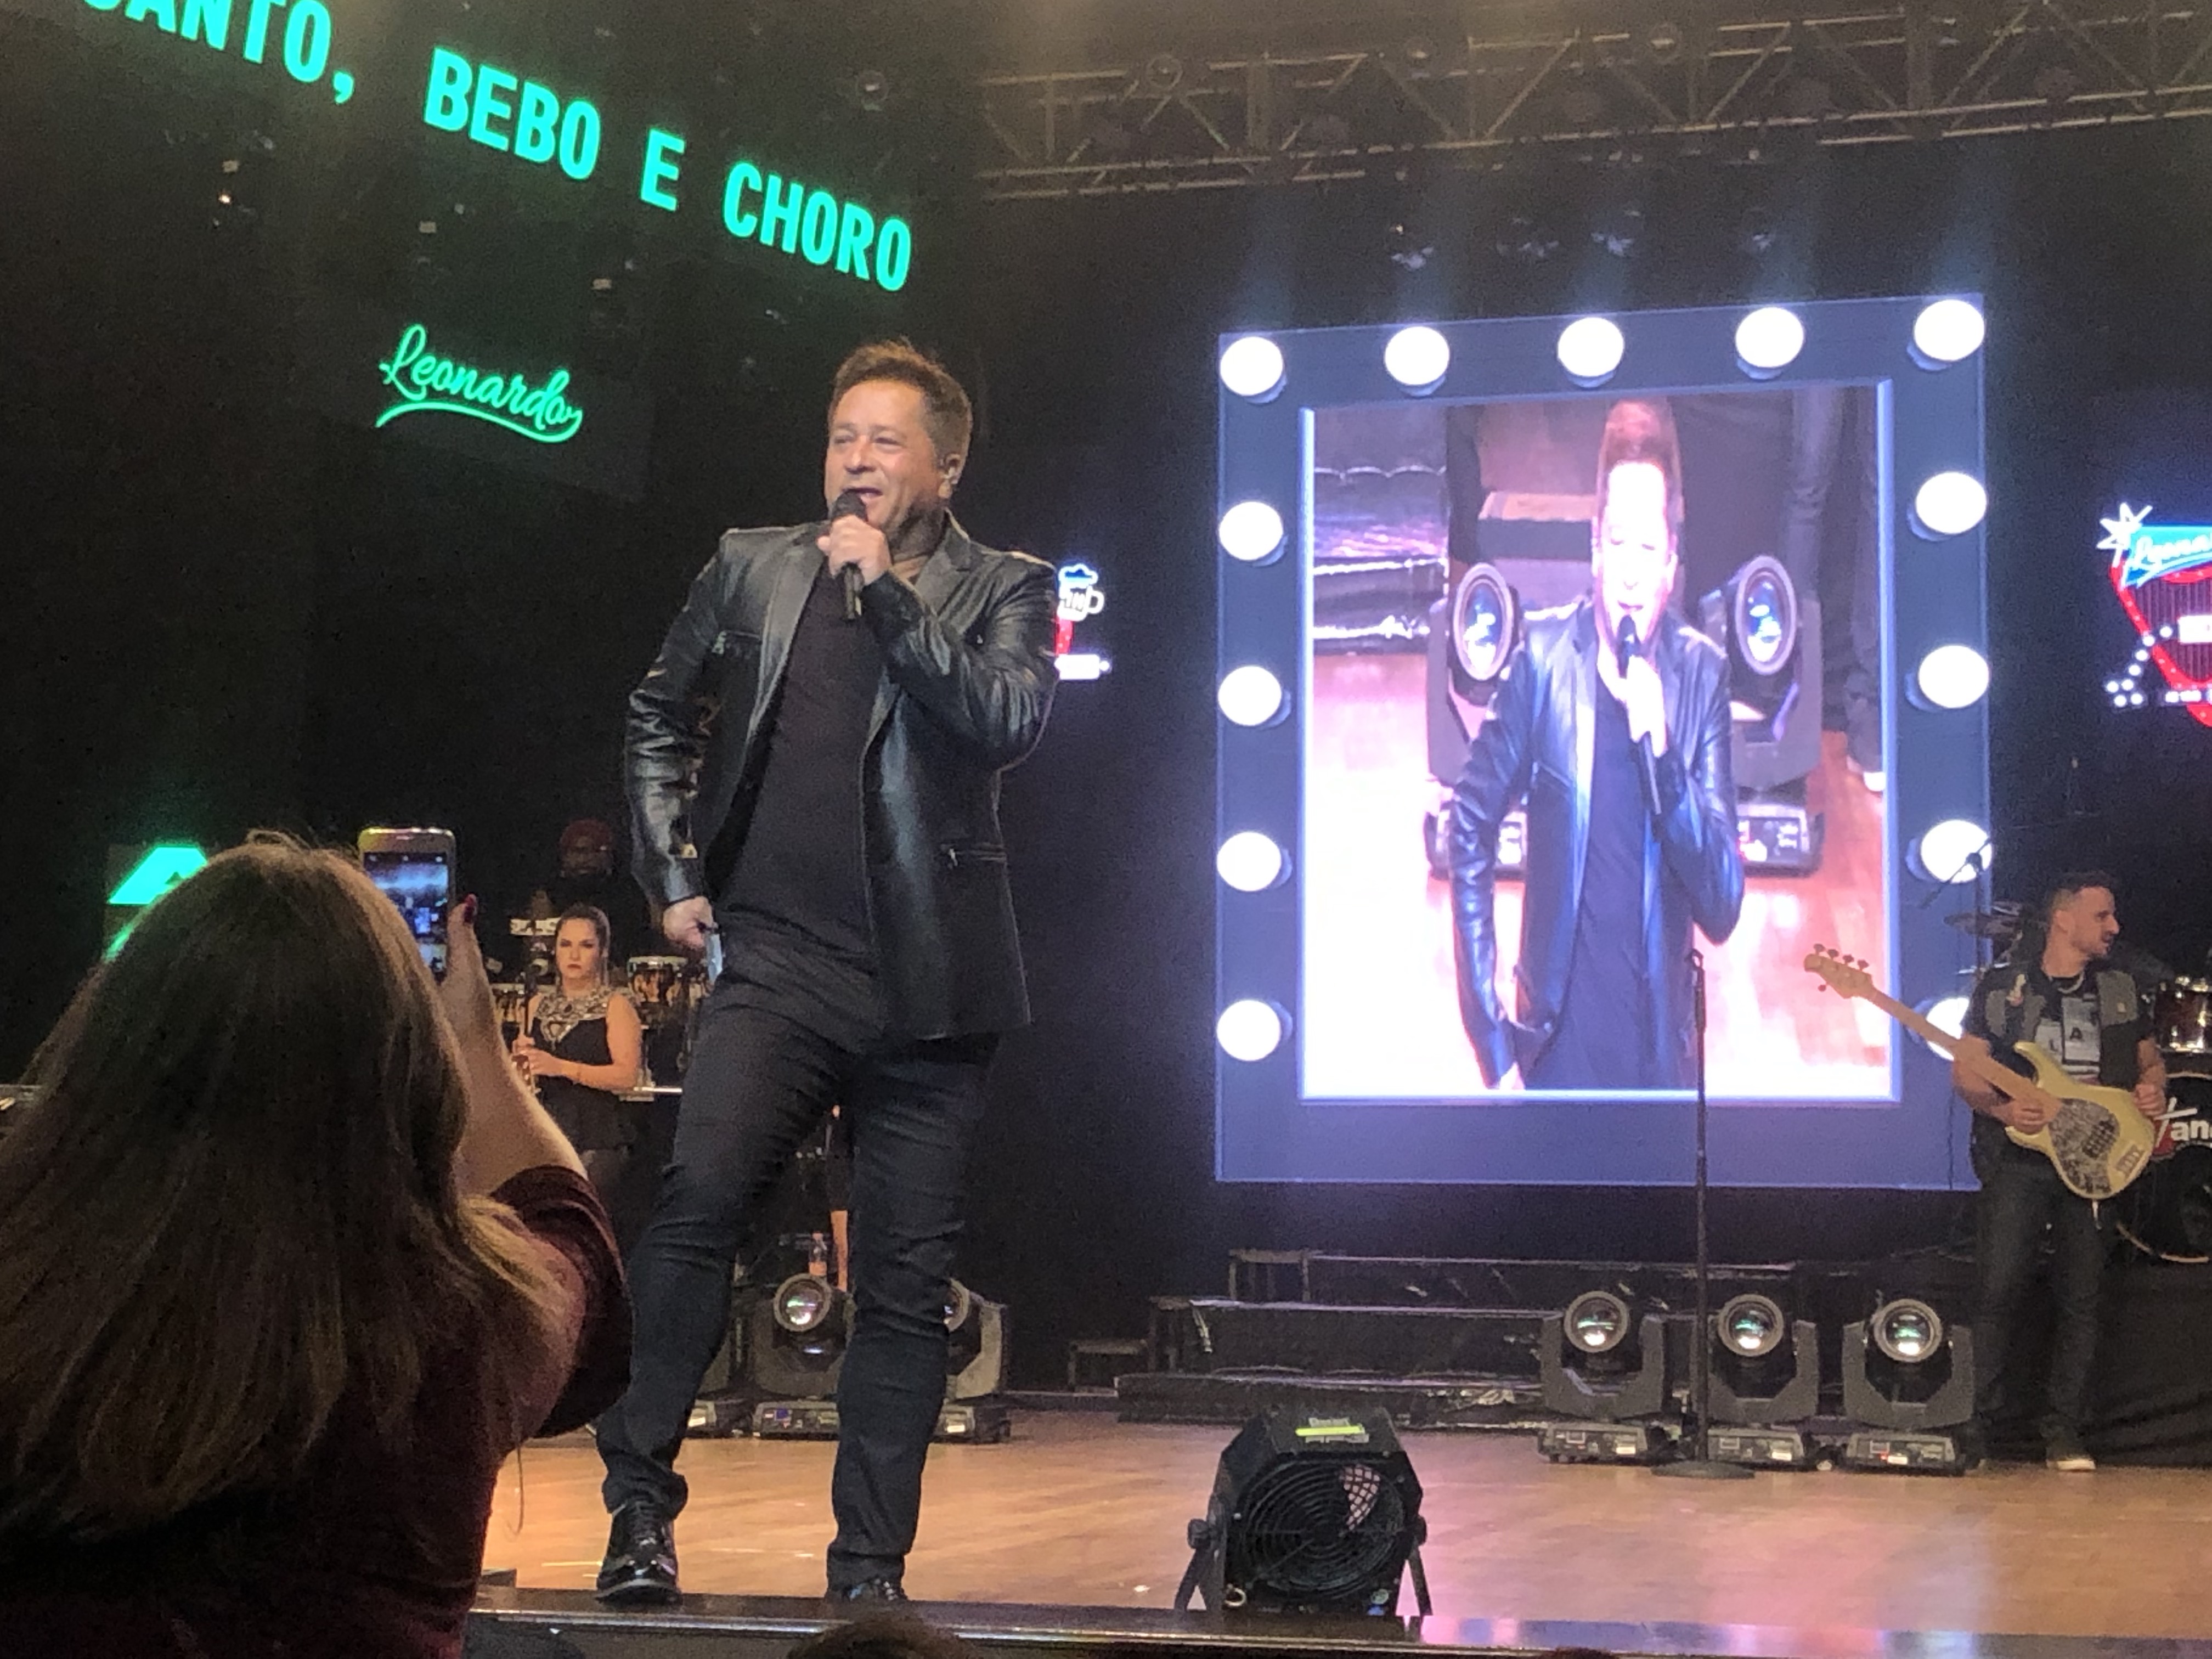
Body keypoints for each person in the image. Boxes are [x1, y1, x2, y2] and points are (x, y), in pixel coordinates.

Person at [595, 339, 1056, 1605]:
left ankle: (867, 1576)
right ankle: (638, 1511)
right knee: (698, 1209)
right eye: (842, 437)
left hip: (930, 990)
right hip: (777, 961)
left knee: (900, 1287)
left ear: (945, 469)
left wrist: (891, 598)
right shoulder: (753, 563)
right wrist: (671, 871)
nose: (856, 460)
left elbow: (1004, 719)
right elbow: (656, 714)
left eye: (885, 441)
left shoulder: (1006, 586)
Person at [0, 837, 629, 1658]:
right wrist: (475, 1038)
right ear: (408, 1079)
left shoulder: (25, 1281)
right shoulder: (460, 1326)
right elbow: (569, 1232)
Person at [1448, 397, 1744, 1091]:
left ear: (1672, 565)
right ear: (1594, 553)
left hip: (1659, 1066)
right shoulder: (1544, 660)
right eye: (1618, 543)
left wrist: (1665, 760)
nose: (1632, 572)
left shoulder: (1700, 677)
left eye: (1649, 549)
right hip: (1554, 1054)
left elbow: (1722, 905)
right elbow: (1469, 824)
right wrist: (1490, 1036)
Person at [1952, 871, 2167, 1471]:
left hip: (2095, 1161)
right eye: (2102, 916)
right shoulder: (2005, 987)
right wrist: (2001, 1109)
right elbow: (1967, 1069)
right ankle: (1976, 1428)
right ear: (2063, 919)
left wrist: (2152, 1091)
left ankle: (2065, 1433)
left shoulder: (2121, 988)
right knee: (1998, 1291)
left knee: (2083, 1300)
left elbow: (2151, 1064)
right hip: (2020, 1160)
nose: (2114, 927)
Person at [517, 904, 652, 1255]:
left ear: (602, 951)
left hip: (597, 1134)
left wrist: (561, 1067)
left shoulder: (616, 1006)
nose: (574, 955)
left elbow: (627, 1075)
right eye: (566, 945)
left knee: (583, 1235)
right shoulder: (535, 1005)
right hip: (545, 1131)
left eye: (586, 946)